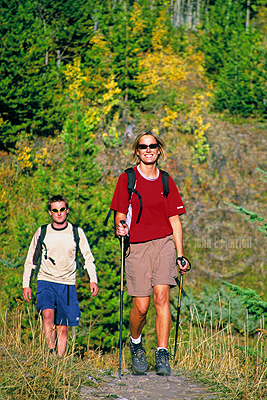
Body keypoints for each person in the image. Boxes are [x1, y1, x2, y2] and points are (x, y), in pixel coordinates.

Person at [110, 130, 189, 376]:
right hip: (137, 246)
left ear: (158, 149)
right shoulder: (127, 179)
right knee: (141, 307)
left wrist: (180, 254)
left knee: (162, 296)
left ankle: (162, 354)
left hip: (164, 243)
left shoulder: (166, 180)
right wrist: (120, 226)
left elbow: (175, 220)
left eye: (152, 146)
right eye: (143, 146)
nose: (148, 150)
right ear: (137, 150)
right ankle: (136, 344)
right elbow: (120, 213)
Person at [23, 195, 98, 356]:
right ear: (50, 212)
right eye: (55, 210)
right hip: (46, 281)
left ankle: (60, 362)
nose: (59, 213)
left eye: (62, 209)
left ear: (67, 210)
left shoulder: (76, 233)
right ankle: (50, 353)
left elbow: (87, 258)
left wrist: (93, 280)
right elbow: (31, 259)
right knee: (47, 314)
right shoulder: (42, 232)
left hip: (67, 284)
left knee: (63, 327)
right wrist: (26, 284)